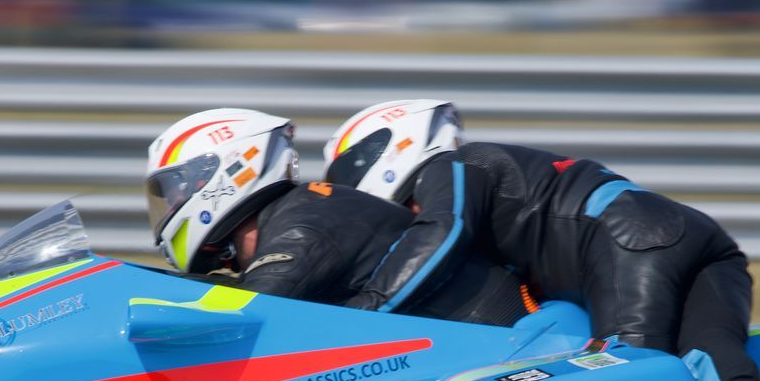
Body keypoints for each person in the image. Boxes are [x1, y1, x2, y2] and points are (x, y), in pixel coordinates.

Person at [324, 99, 760, 381]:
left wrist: (364, 312)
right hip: (701, 239)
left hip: (631, 238)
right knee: (709, 361)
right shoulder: (481, 167)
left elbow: (441, 232)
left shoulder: (450, 165)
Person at [144, 107, 526, 320]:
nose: (171, 206)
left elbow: (244, 315)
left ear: (222, 172)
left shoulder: (302, 228)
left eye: (175, 190)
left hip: (491, 346)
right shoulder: (301, 209)